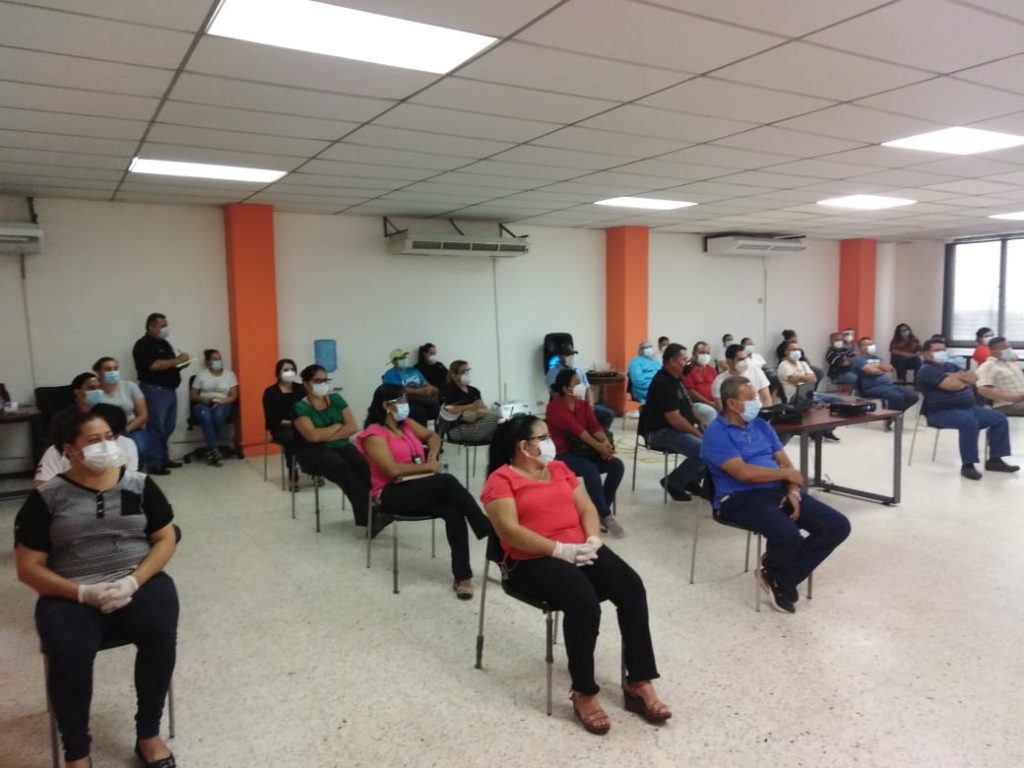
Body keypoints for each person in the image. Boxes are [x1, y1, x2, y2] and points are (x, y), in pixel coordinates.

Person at [481, 415, 670, 734]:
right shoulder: (501, 481)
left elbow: (586, 508)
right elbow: (510, 532)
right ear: (523, 447)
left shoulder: (558, 469)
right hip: (531, 560)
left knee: (631, 587)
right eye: (543, 437)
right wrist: (559, 550)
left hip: (580, 548)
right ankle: (583, 691)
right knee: (583, 601)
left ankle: (639, 680)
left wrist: (592, 538)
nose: (550, 443)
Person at [14, 409, 179, 768]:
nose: (106, 446)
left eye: (109, 437)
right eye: (93, 441)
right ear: (69, 450)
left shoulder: (136, 484)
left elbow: (165, 538)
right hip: (71, 590)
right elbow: (28, 568)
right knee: (68, 650)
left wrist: (133, 581)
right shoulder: (48, 498)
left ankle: (148, 734)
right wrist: (82, 593)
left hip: (136, 579)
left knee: (159, 634)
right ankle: (77, 752)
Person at [701, 376, 851, 614]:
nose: (757, 401)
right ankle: (778, 573)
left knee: (837, 525)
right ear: (732, 403)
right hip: (738, 497)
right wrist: (784, 475)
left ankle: (779, 576)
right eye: (750, 398)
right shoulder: (716, 433)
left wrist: (792, 490)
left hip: (776, 489)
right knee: (787, 534)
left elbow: (786, 463)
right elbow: (743, 473)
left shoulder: (761, 426)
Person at [357, 384, 491, 599]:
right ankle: (484, 526)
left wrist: (432, 456)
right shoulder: (373, 434)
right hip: (392, 493)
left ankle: (462, 576)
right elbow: (391, 470)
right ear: (386, 406)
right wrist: (428, 467)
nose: (406, 405)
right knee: (447, 481)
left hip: (419, 486)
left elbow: (433, 437)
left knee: (453, 511)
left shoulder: (405, 424)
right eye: (401, 401)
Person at [915, 339, 1017, 480]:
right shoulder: (926, 370)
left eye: (943, 349)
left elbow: (974, 378)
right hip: (941, 412)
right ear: (926, 353)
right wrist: (960, 378)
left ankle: (995, 460)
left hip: (969, 408)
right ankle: (968, 465)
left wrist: (954, 376)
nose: (942, 353)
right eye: (937, 350)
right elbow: (953, 386)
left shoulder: (949, 366)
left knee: (999, 418)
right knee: (969, 423)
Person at [546, 369, 626, 537]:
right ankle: (606, 516)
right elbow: (579, 431)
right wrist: (600, 448)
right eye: (577, 382)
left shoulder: (582, 405)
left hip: (584, 451)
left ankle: (599, 511)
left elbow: (595, 427)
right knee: (590, 469)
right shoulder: (555, 407)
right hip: (563, 453)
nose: (581, 385)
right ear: (566, 389)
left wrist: (606, 444)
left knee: (617, 465)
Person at [293, 364, 372, 528]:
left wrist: (325, 435)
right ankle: (367, 514)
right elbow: (312, 437)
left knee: (361, 463)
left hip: (340, 444)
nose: (322, 384)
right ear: (306, 384)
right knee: (341, 467)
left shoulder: (336, 399)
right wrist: (337, 426)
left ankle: (373, 507)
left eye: (325, 380)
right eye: (317, 381)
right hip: (311, 451)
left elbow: (352, 427)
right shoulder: (300, 407)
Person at [644, 344, 707, 502]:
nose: (687, 363)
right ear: (672, 361)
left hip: (675, 429)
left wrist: (700, 422)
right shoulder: (663, 383)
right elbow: (675, 420)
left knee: (715, 444)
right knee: (703, 450)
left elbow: (687, 407)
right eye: (684, 359)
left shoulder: (677, 379)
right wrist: (697, 433)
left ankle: (691, 480)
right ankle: (674, 482)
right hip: (660, 432)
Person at [132, 312, 189, 475]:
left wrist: (183, 362)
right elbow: (155, 365)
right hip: (155, 391)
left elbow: (171, 365)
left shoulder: (165, 344)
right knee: (156, 427)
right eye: (162, 326)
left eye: (166, 326)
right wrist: (178, 360)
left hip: (170, 390)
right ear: (151, 327)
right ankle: (154, 464)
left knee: (168, 427)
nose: (166, 329)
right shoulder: (143, 345)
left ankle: (164, 458)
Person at [35, 403, 139, 486]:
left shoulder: (127, 445)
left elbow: (130, 482)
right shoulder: (56, 452)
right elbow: (41, 487)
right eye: (94, 439)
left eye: (109, 437)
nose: (105, 445)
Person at [92, 356, 152, 469]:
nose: (112, 372)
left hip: (131, 428)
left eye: (115, 368)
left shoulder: (129, 386)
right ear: (98, 372)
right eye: (108, 369)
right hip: (102, 431)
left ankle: (135, 472)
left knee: (141, 448)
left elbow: (143, 415)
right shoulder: (93, 391)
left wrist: (124, 431)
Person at [544, 342, 614, 431]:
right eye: (567, 355)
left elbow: (588, 389)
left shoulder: (579, 370)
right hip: (567, 407)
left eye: (572, 354)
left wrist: (590, 405)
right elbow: (555, 395)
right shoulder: (553, 373)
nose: (571, 357)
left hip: (583, 405)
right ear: (560, 356)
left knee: (608, 414)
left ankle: (599, 434)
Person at [189, 348, 238, 466]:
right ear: (208, 362)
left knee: (218, 415)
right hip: (203, 403)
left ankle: (211, 449)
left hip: (222, 403)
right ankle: (214, 449)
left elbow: (234, 395)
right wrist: (202, 399)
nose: (218, 361)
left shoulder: (229, 375)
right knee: (205, 416)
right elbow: (193, 395)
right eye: (214, 359)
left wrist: (224, 401)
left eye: (219, 359)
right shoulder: (202, 375)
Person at [262, 358, 306, 488]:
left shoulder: (302, 389)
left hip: (302, 425)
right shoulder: (270, 392)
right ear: (278, 373)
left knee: (314, 435)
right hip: (281, 428)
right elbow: (270, 418)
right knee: (291, 438)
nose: (290, 372)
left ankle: (315, 470)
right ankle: (293, 473)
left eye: (292, 369)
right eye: (286, 370)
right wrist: (289, 423)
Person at [439, 359, 500, 443]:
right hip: (457, 429)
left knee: (501, 421)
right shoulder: (449, 391)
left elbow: (484, 408)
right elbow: (449, 411)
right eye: (463, 372)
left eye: (468, 371)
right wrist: (471, 406)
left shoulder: (474, 391)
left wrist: (482, 408)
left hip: (477, 424)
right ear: (454, 375)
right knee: (495, 418)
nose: (466, 374)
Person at [853, 336, 919, 411]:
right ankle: (893, 415)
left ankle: (897, 413)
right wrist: (880, 368)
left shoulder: (876, 358)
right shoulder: (858, 360)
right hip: (873, 388)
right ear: (861, 348)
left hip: (888, 385)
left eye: (872, 344)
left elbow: (889, 368)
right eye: (869, 345)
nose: (872, 346)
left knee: (913, 396)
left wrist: (876, 367)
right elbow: (873, 371)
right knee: (897, 397)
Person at [47, 372, 107, 447]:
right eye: (92, 388)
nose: (98, 391)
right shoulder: (63, 419)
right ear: (78, 392)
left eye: (100, 387)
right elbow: (56, 446)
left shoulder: (108, 413)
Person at [382, 348, 439, 425]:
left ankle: (432, 428)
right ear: (394, 362)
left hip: (422, 395)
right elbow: (399, 390)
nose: (404, 359)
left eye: (405, 357)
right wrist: (419, 392)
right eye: (401, 358)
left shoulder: (413, 370)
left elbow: (425, 383)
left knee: (434, 405)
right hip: (404, 401)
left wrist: (429, 389)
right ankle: (421, 430)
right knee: (420, 412)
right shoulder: (390, 374)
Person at [712, 344, 772, 410]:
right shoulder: (720, 381)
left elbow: (766, 399)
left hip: (759, 411)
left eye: (746, 358)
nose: (746, 362)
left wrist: (766, 414)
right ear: (729, 361)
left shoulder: (755, 369)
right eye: (741, 359)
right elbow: (722, 409)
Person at [977, 337, 1024, 416]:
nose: (1008, 350)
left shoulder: (1009, 362)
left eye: (1008, 347)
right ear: (993, 351)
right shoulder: (988, 366)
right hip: (1008, 405)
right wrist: (1013, 398)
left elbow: (1014, 356)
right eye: (1004, 348)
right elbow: (983, 390)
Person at [682, 341, 718, 419]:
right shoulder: (687, 369)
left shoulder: (711, 369)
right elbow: (690, 392)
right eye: (702, 352)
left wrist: (718, 402)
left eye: (707, 353)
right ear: (694, 353)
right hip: (696, 403)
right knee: (710, 412)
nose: (705, 355)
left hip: (714, 402)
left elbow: (717, 387)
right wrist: (710, 403)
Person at [626, 340, 661, 404]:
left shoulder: (655, 361)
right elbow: (638, 381)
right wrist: (654, 386)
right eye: (647, 347)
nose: (650, 349)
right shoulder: (635, 363)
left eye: (650, 347)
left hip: (657, 388)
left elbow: (662, 374)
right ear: (641, 350)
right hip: (643, 391)